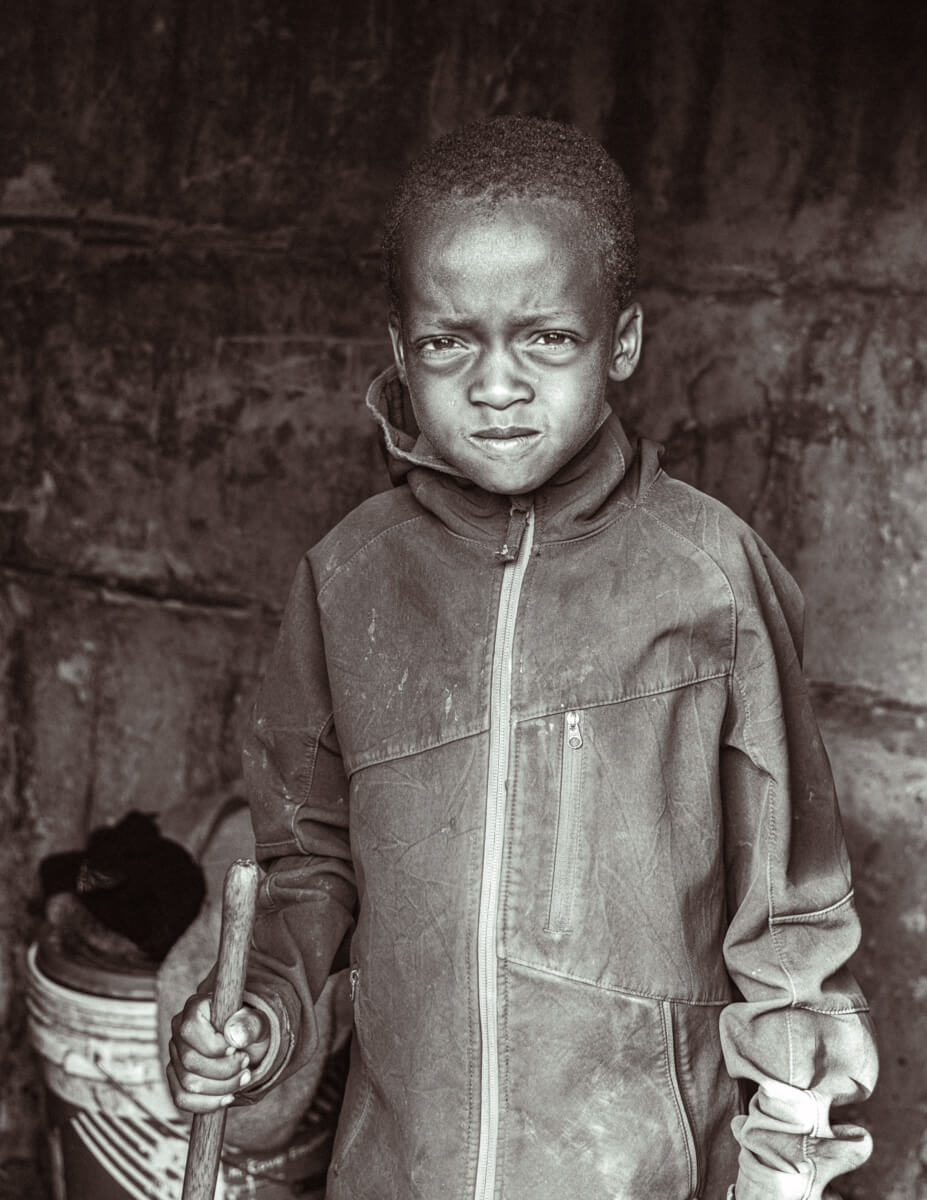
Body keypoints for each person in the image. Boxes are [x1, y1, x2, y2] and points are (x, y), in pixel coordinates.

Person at [168, 116, 878, 1200]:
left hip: (639, 1171)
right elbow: (305, 865)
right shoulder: (350, 578)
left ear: (623, 341)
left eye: (547, 338)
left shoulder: (710, 577)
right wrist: (257, 1013)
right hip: (401, 1172)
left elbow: (790, 913)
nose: (497, 384)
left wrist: (785, 1164)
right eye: (451, 342)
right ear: (403, 353)